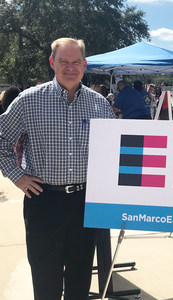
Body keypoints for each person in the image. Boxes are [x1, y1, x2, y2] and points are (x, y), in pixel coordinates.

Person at [0, 37, 115, 299]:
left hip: (85, 202)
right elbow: (1, 139)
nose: (70, 67)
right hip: (43, 200)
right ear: (53, 63)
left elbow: (112, 153)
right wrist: (17, 177)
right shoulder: (29, 101)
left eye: (76, 62)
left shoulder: (100, 105)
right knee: (45, 277)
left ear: (85, 65)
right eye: (64, 61)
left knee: (81, 275)